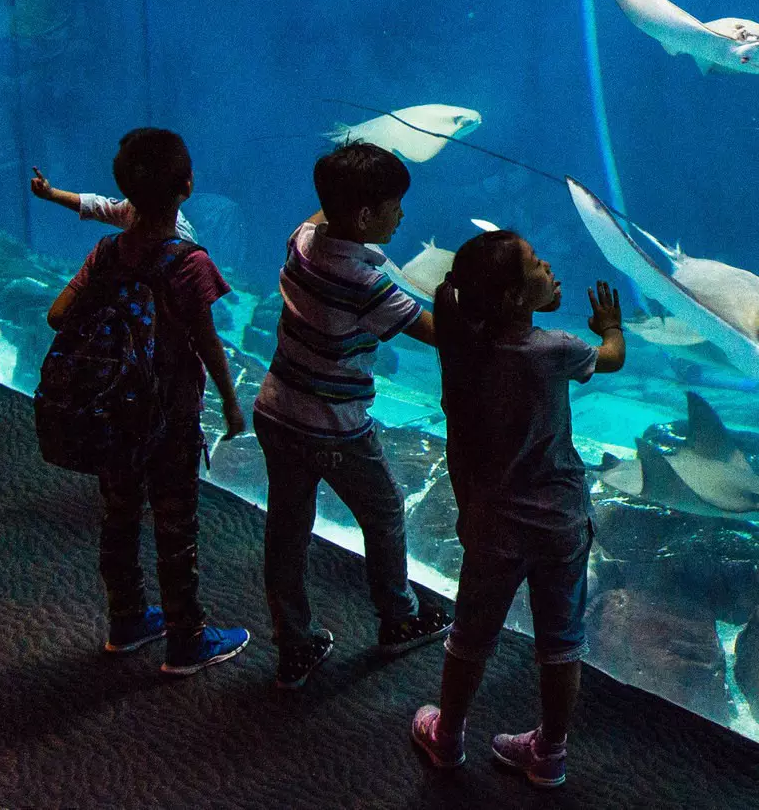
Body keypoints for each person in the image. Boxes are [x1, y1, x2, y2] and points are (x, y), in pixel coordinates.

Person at [411, 231, 625, 787]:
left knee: (471, 636)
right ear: (512, 298)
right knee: (561, 643)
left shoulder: (462, 352)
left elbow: (460, 446)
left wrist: (467, 510)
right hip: (559, 523)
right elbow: (611, 359)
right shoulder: (556, 349)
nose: (549, 263)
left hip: (493, 526)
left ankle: (448, 734)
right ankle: (549, 752)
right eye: (535, 263)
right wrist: (611, 327)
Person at [44, 128, 251, 674]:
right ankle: (187, 640)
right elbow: (208, 343)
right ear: (187, 186)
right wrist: (231, 403)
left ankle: (127, 620)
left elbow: (57, 316)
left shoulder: (109, 251)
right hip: (170, 418)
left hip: (112, 413)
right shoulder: (190, 262)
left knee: (118, 516)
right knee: (176, 525)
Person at [252, 142, 451, 689]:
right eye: (394, 205)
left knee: (287, 530)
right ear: (366, 215)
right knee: (384, 511)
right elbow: (436, 333)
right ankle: (399, 617)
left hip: (276, 408)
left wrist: (348, 175)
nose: (402, 215)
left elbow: (324, 213)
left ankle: (293, 643)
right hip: (334, 428)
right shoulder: (366, 283)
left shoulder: (302, 241)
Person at [31, 166, 195, 241]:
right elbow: (96, 206)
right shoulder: (131, 210)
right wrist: (51, 194)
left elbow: (97, 206)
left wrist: (51, 194)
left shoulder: (184, 240)